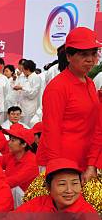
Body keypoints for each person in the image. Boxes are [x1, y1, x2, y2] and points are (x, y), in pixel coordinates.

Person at [38, 27, 101, 181]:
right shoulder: (58, 87)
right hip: (63, 165)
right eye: (83, 54)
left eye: (94, 54)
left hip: (83, 162)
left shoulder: (89, 84)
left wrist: (91, 163)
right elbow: (51, 132)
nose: (90, 60)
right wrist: (58, 171)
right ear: (68, 56)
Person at [1, 125, 38, 207]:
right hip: (15, 197)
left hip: (28, 204)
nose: (9, 143)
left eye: (13, 140)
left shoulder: (32, 162)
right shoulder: (12, 155)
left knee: (13, 189)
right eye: (10, 139)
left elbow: (14, 181)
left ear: (24, 144)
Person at [13, 59, 41, 126]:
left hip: (29, 107)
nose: (22, 71)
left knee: (27, 126)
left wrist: (22, 88)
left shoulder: (36, 78)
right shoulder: (23, 77)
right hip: (21, 106)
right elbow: (16, 86)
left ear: (27, 69)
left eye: (23, 69)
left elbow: (33, 93)